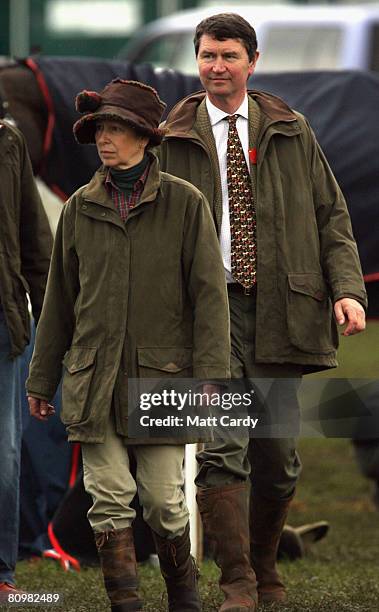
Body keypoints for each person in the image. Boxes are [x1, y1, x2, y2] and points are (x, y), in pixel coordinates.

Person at [158, 13, 367, 611]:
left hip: (279, 311)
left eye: (227, 55)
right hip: (206, 316)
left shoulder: (291, 130)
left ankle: (266, 564)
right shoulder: (172, 135)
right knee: (222, 447)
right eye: (206, 56)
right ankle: (238, 585)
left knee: (277, 458)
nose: (215, 67)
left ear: (252, 60)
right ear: (196, 61)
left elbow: (332, 216)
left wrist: (347, 290)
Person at [26, 78, 230, 612]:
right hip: (93, 382)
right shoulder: (78, 209)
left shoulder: (186, 206)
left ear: (144, 137)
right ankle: (127, 604)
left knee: (165, 502)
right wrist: (42, 380)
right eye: (100, 131)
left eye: (115, 130)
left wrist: (211, 380)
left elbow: (211, 301)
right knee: (109, 498)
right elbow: (58, 305)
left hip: (162, 380)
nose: (105, 141)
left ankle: (184, 600)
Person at [0, 120, 52, 597]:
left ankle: (3, 575)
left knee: (6, 455)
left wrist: (58, 329)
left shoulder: (7, 139)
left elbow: (35, 241)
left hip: (4, 322)